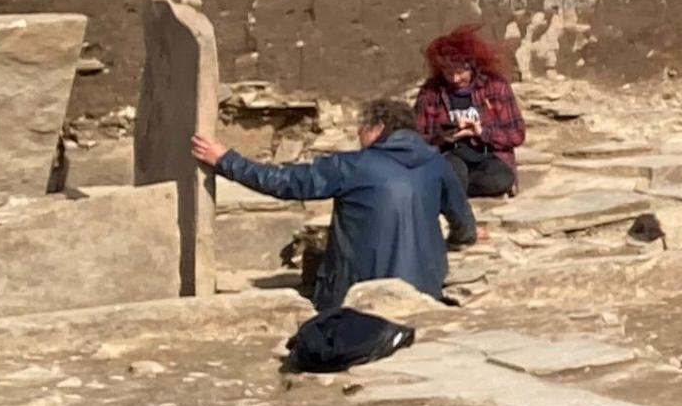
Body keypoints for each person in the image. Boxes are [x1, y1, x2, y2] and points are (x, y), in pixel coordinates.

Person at [192, 97, 476, 309]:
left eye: (361, 129)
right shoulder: (438, 164)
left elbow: (285, 182)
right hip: (426, 290)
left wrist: (226, 160)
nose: (358, 137)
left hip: (360, 296)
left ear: (377, 128)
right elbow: (465, 229)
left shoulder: (353, 165)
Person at [411, 23, 525, 201]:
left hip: (488, 154)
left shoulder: (495, 86)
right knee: (453, 171)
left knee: (501, 179)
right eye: (449, 73)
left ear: (471, 66)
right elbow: (414, 139)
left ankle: (452, 190)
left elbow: (516, 135)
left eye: (460, 72)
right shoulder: (431, 93)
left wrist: (481, 132)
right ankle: (451, 188)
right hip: (450, 153)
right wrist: (443, 137)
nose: (455, 79)